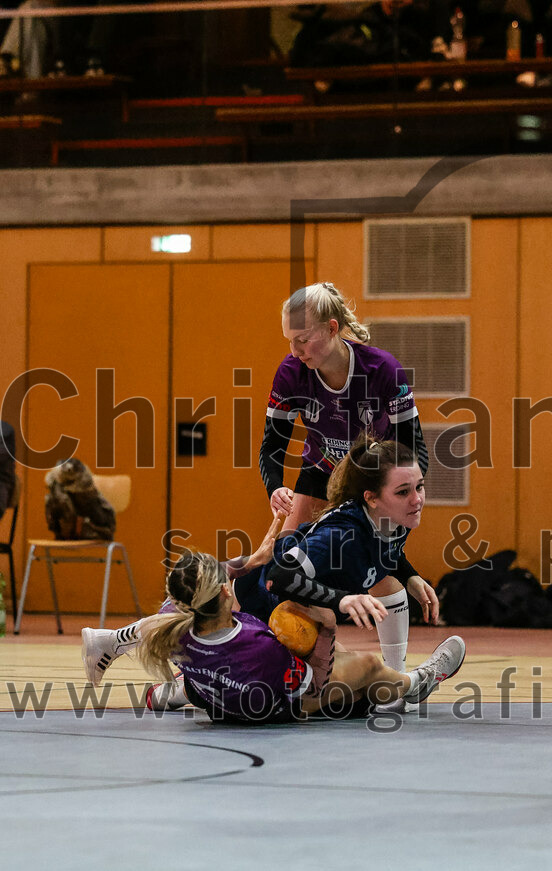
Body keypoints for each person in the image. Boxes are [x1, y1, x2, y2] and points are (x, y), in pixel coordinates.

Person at [84, 435, 439, 715]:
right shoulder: (339, 537)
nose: (417, 499)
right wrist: (342, 599)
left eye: (420, 487)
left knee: (387, 589)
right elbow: (279, 576)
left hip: (284, 597)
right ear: (372, 498)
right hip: (267, 601)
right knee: (355, 677)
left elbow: (387, 553)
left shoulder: (398, 516)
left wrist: (410, 575)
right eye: (405, 491)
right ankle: (410, 682)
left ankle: (161, 685)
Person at [135, 550, 465, 724]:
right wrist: (327, 626)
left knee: (208, 678)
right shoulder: (258, 646)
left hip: (215, 701)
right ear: (224, 590)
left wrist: (255, 557)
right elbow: (317, 683)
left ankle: (175, 691)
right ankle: (419, 683)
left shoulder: (170, 621)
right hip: (269, 710)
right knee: (364, 669)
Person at [261, 280, 428, 533]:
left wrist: (397, 495)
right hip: (321, 472)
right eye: (289, 341)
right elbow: (272, 445)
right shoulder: (290, 373)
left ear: (331, 328)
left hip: (375, 480)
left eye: (302, 340)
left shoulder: (383, 370)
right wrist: (275, 488)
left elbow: (415, 449)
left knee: (363, 567)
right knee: (286, 562)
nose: (294, 352)